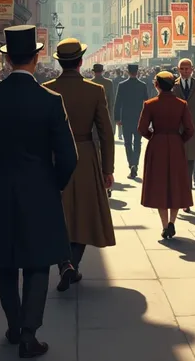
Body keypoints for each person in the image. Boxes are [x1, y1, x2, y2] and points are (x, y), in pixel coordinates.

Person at [0, 25, 78, 358]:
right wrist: (53, 183)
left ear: (7, 59)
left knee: (4, 262)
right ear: (36, 56)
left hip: (1, 190)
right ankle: (29, 332)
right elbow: (69, 157)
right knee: (38, 263)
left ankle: (14, 325)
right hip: (40, 190)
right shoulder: (50, 100)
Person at [44, 40, 115, 290]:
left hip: (52, 156)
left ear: (60, 62)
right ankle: (71, 263)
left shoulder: (46, 88)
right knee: (84, 213)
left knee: (57, 213)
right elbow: (106, 132)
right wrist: (108, 169)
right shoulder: (95, 91)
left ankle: (65, 263)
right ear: (80, 61)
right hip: (84, 154)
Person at [138, 71, 194, 239]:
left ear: (157, 85)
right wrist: (179, 140)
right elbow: (190, 129)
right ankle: (172, 222)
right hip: (176, 144)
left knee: (160, 184)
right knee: (176, 182)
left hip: (158, 145)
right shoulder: (182, 104)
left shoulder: (150, 104)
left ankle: (164, 225)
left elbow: (142, 128)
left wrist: (154, 137)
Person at [174, 59, 195, 201]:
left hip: (194, 131)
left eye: (187, 68)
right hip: (176, 132)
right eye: (182, 69)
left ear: (192, 69)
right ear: (178, 69)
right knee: (177, 166)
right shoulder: (172, 85)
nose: (185, 71)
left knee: (190, 164)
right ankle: (179, 195)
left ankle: (186, 198)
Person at [114, 64, 148, 178]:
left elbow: (117, 102)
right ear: (137, 72)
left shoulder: (122, 85)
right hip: (139, 117)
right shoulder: (142, 85)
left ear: (127, 72)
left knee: (127, 143)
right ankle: (135, 164)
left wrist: (117, 118)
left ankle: (131, 164)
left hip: (126, 118)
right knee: (137, 142)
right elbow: (147, 103)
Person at [91, 63, 115, 135]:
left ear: (93, 72)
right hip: (105, 111)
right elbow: (111, 99)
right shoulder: (109, 82)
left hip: (93, 112)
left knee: (94, 135)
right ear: (102, 71)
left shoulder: (90, 82)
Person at [113, 69, 125, 139]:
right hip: (124, 100)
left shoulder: (113, 80)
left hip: (116, 99)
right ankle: (122, 133)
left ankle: (120, 134)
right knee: (123, 115)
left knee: (118, 117)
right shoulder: (124, 80)